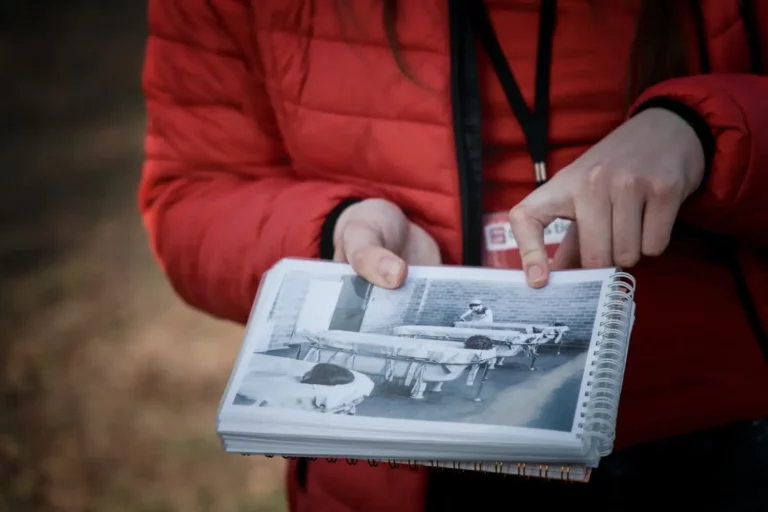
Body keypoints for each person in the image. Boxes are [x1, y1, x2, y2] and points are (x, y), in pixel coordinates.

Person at [138, 1, 768, 510]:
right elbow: (193, 195)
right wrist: (334, 230)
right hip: (402, 474)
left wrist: (707, 132)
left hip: (721, 443)